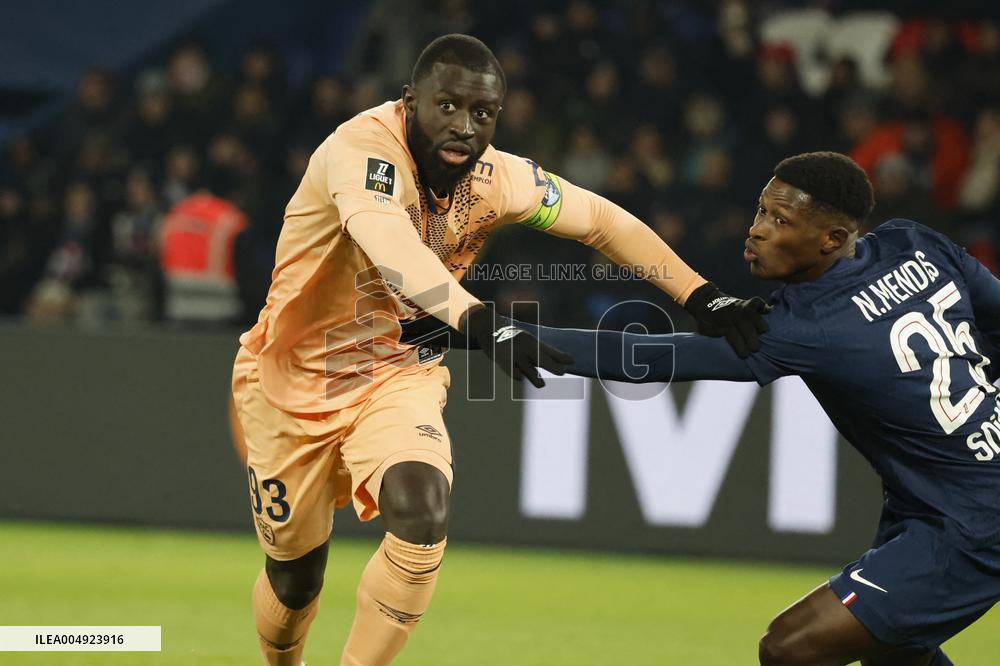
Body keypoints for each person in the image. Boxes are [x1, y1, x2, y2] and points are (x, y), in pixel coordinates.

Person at [232, 34, 768, 666]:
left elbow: (602, 219)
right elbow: (392, 248)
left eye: (482, 114)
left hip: (396, 371)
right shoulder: (361, 152)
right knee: (297, 579)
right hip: (290, 380)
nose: (465, 127)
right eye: (448, 107)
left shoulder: (498, 178)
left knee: (422, 509)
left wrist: (699, 295)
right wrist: (481, 322)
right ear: (410, 102)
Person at [483, 152, 998, 666]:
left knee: (789, 647)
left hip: (972, 519)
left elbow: (649, 358)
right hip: (933, 501)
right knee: (894, 652)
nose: (756, 231)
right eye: (761, 211)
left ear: (834, 240)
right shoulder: (917, 243)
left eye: (780, 221)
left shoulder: (806, 326)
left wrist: (477, 326)